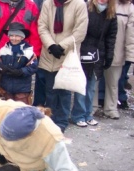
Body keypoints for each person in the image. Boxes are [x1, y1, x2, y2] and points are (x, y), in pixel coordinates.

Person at [38, 0, 88, 133]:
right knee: (50, 91)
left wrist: (61, 46)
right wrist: (51, 45)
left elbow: (80, 32)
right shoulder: (48, 3)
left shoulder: (79, 4)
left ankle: (61, 122)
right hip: (49, 53)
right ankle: (49, 121)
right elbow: (42, 26)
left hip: (67, 54)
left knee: (65, 91)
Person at [70, 0, 117, 127]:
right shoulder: (85, 8)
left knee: (91, 87)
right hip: (83, 50)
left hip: (98, 53)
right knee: (81, 85)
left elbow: (111, 37)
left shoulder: (111, 13)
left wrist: (109, 55)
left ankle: (88, 114)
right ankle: (78, 115)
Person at [0, 0, 42, 98]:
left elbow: (35, 33)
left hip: (23, 58)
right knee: (1, 92)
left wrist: (35, 55)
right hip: (2, 56)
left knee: (21, 95)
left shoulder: (31, 6)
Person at [96, 0, 134, 120]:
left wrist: (131, 56)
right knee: (93, 82)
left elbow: (132, 34)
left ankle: (110, 108)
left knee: (113, 82)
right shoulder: (97, 3)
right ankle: (91, 107)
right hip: (96, 49)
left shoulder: (128, 8)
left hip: (117, 51)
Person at [0, 22, 38, 105]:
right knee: (7, 111)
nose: (14, 38)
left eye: (17, 36)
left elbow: (33, 67)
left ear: (22, 37)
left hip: (22, 89)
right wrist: (1, 67)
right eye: (12, 36)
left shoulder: (28, 51)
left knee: (22, 112)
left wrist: (21, 71)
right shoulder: (3, 50)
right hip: (6, 88)